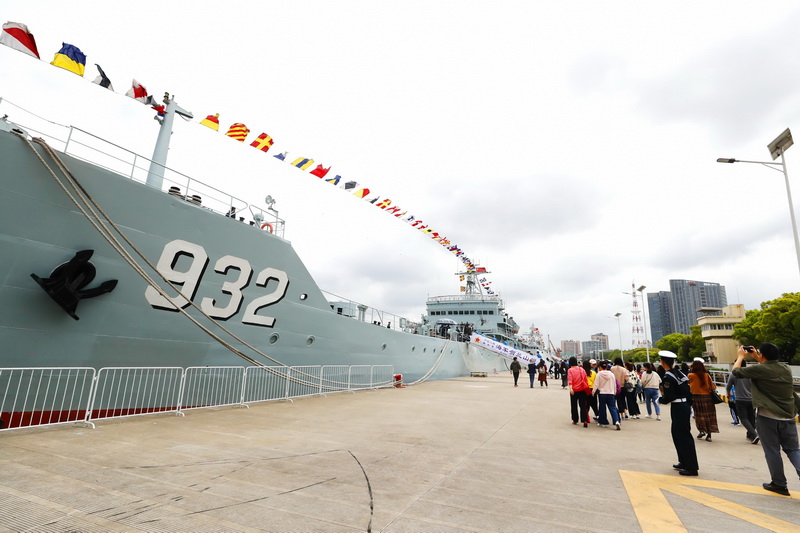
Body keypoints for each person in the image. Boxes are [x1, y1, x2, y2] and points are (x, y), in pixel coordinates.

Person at [732, 343, 800, 496]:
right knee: (793, 450)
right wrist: (758, 357)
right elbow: (768, 368)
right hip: (788, 418)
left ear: (762, 356)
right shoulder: (785, 369)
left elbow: (736, 372)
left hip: (767, 418)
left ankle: (779, 484)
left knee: (772, 451)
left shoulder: (761, 370)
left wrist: (741, 356)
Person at [658, 350, 698, 476]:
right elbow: (688, 391)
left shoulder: (668, 377)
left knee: (682, 436)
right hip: (684, 405)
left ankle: (691, 467)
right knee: (678, 434)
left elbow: (669, 396)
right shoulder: (680, 373)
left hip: (678, 407)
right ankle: (683, 461)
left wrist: (660, 400)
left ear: (663, 362)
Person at [726, 360, 759, 444]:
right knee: (751, 418)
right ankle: (750, 434)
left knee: (743, 418)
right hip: (752, 399)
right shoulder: (751, 373)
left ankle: (754, 435)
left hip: (740, 399)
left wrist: (728, 396)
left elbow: (728, 386)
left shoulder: (734, 374)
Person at [688, 359, 718, 442]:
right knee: (708, 416)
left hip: (696, 398)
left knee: (699, 415)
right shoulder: (706, 375)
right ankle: (709, 435)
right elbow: (713, 387)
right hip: (707, 398)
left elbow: (688, 386)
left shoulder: (690, 375)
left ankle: (701, 430)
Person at [593, 361, 621, 430]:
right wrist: (614, 392)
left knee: (602, 408)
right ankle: (616, 421)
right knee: (613, 407)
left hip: (602, 393)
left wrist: (593, 392)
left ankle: (603, 422)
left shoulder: (599, 374)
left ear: (600, 367)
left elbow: (596, 384)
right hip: (611, 393)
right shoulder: (611, 374)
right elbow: (614, 384)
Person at [567, 356, 590, 427]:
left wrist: (571, 389)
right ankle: (585, 420)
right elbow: (585, 379)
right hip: (582, 390)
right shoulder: (582, 369)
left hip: (574, 390)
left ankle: (575, 420)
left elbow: (570, 380)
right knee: (583, 405)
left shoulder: (570, 370)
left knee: (574, 405)